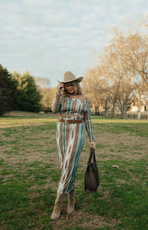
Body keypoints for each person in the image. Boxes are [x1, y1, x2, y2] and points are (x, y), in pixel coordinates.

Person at [51, 71, 96, 220]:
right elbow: (54, 110)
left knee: (69, 164)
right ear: (64, 86)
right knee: (65, 166)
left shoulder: (84, 99)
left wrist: (92, 139)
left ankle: (57, 205)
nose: (70, 88)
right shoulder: (62, 97)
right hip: (62, 131)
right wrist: (58, 92)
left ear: (77, 85)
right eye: (67, 85)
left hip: (78, 131)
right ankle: (71, 198)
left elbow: (88, 119)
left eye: (72, 85)